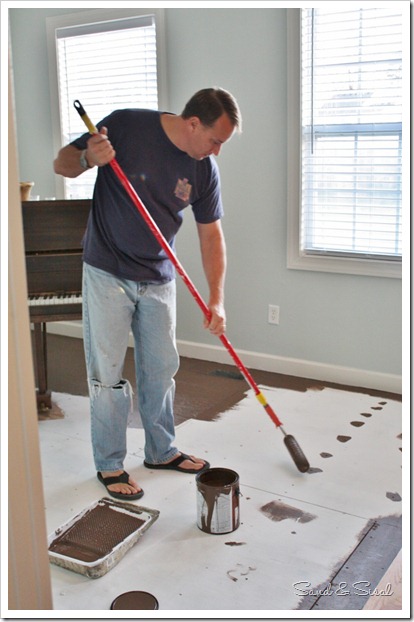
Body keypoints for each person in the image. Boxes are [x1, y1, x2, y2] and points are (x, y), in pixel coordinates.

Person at [53, 87, 242, 501]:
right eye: (216, 140)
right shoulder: (126, 126)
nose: (217, 151)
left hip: (158, 276)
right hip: (107, 271)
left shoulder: (203, 169)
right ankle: (110, 463)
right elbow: (62, 164)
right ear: (193, 123)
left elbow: (212, 236)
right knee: (107, 376)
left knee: (160, 369)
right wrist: (89, 158)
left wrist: (217, 298)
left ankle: (161, 451)